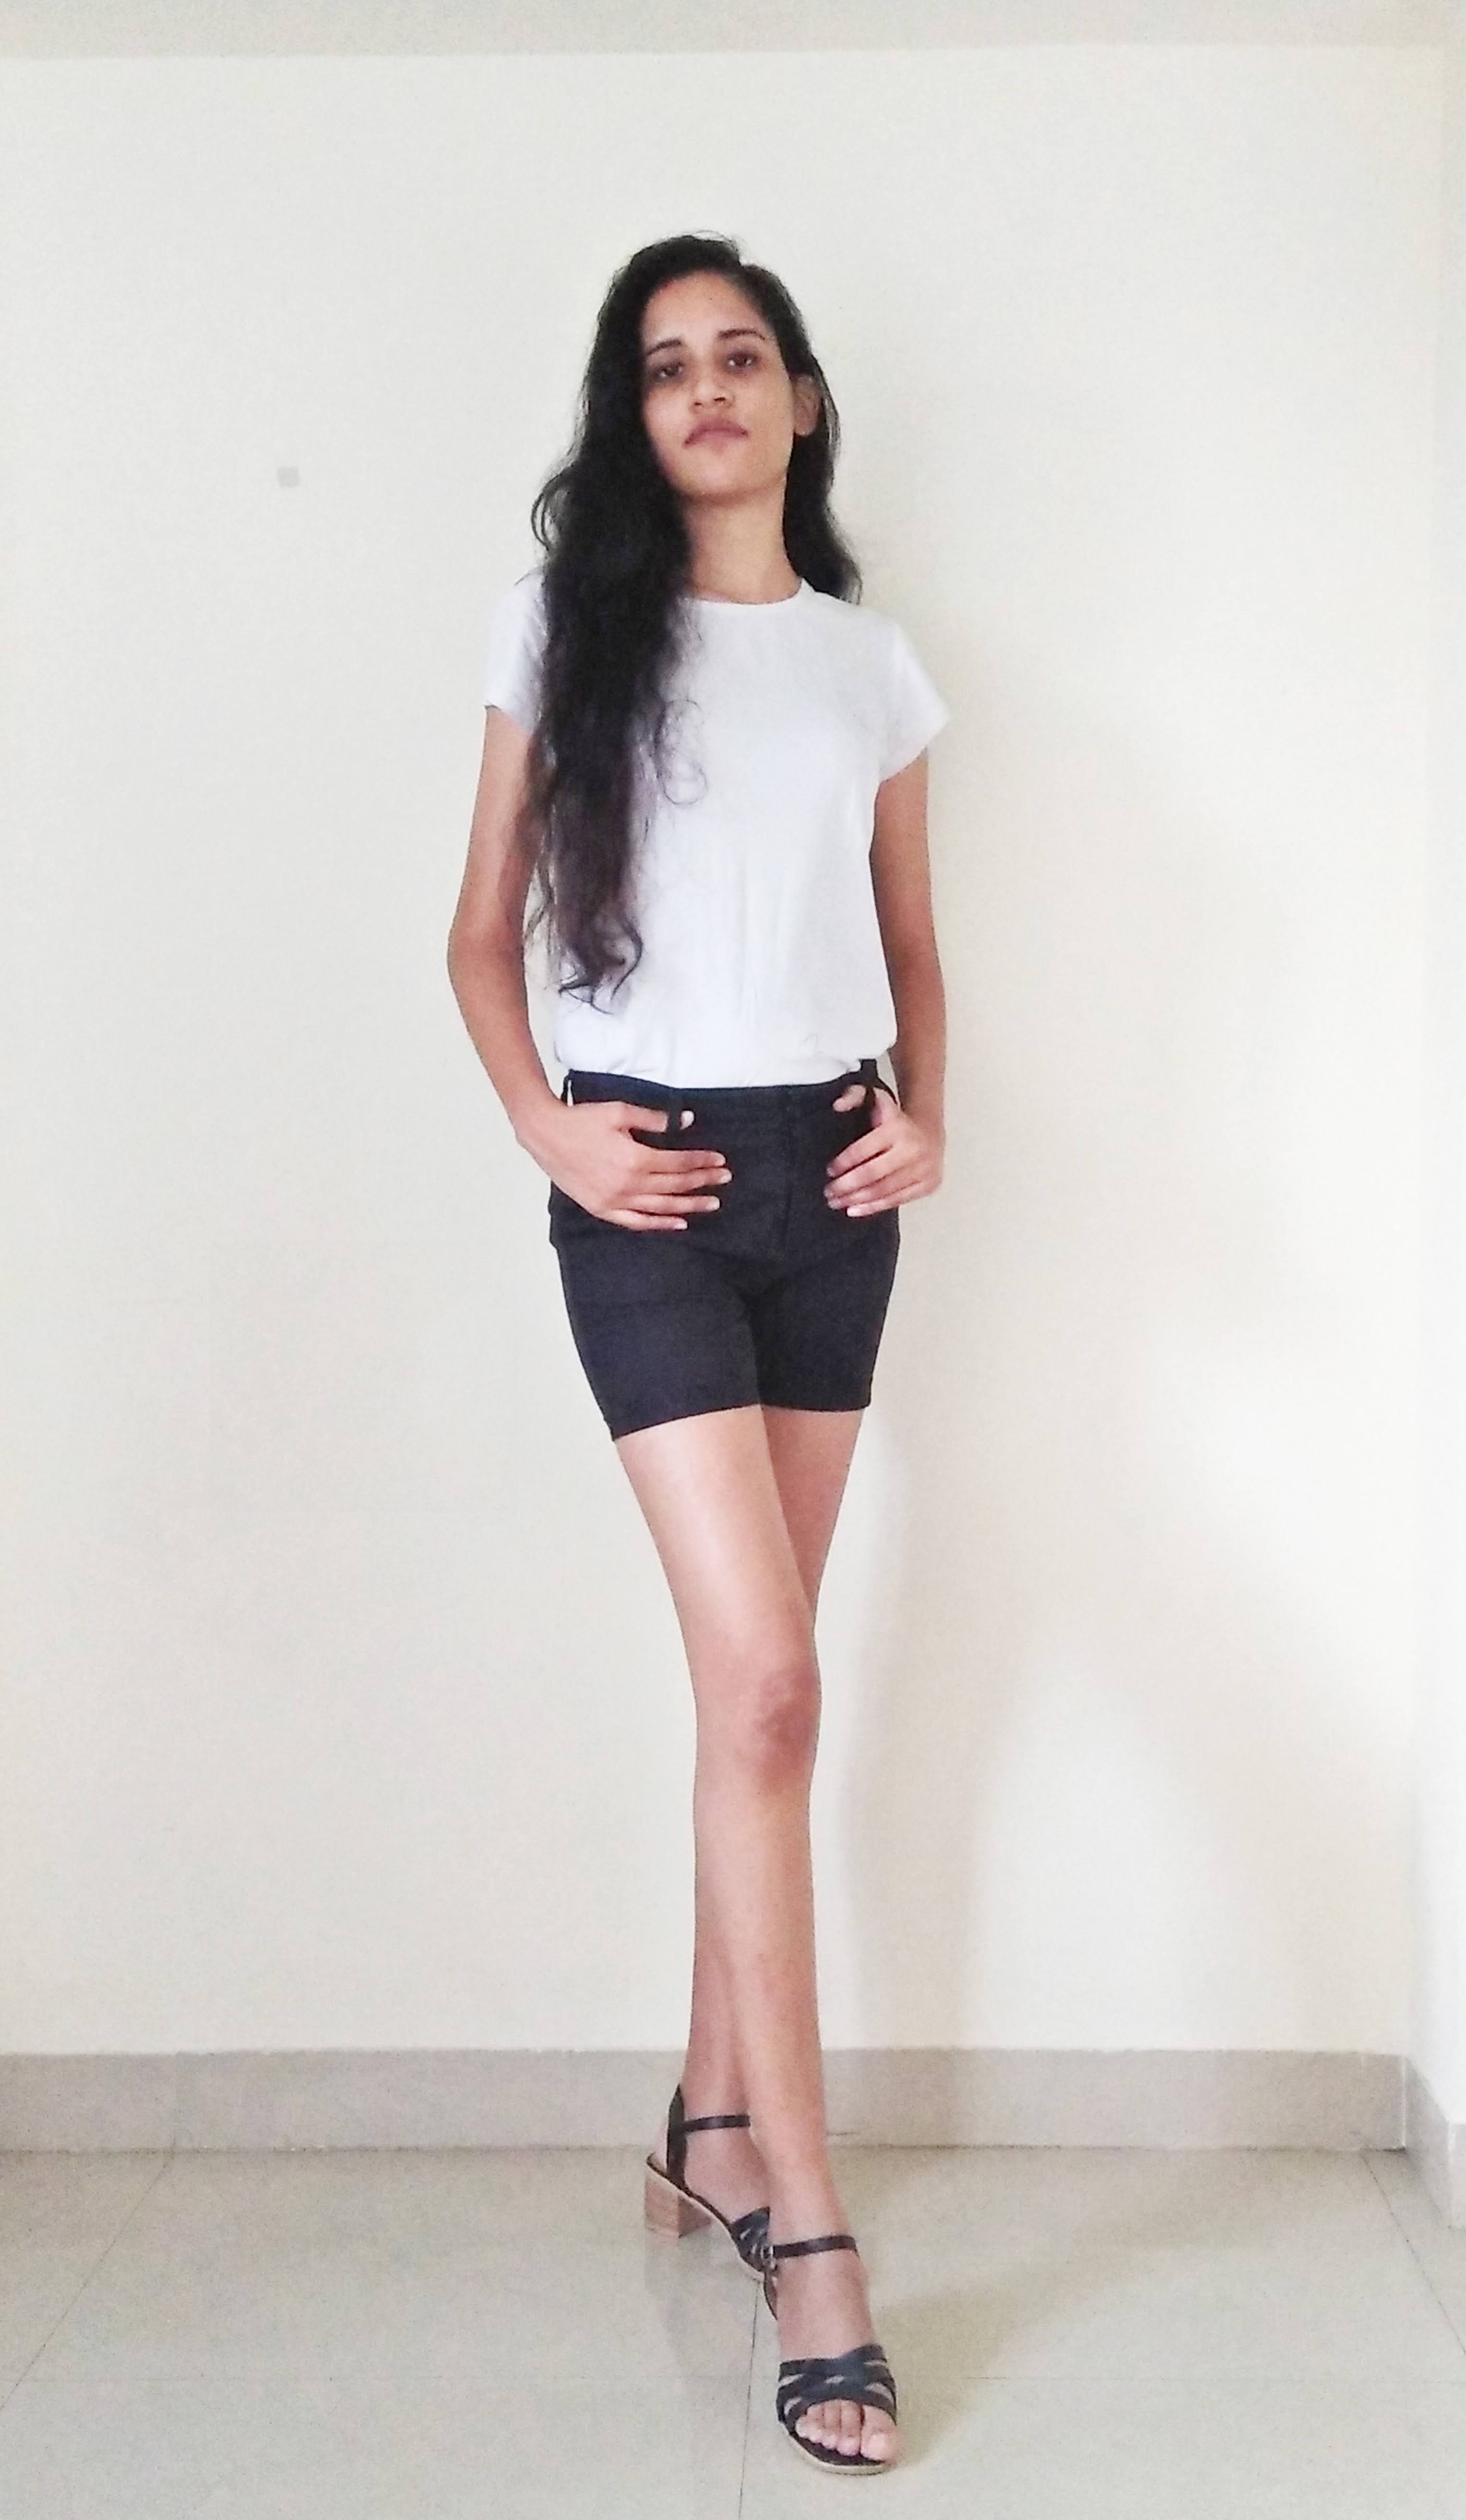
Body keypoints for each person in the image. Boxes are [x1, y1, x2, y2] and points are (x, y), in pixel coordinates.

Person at [447, 231, 949, 2475]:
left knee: (760, 1695)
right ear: (633, 418)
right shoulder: (564, 632)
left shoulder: (871, 666)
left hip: (828, 1188)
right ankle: (810, 2237)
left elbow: (913, 938)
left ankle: (712, 2121)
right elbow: (477, 938)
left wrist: (930, 1112)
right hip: (644, 1180)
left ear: (801, 403)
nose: (709, 389)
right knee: (766, 1687)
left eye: (742, 356)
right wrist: (545, 1120)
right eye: (666, 368)